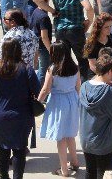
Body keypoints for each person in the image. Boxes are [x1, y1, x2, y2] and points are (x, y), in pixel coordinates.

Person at [0, 38, 41, 179]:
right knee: (19, 150)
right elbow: (37, 90)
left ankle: (3, 174)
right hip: (21, 117)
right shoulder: (26, 69)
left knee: (2, 147)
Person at [34, 0, 94, 74]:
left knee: (62, 62)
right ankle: (83, 85)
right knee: (83, 61)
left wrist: (52, 11)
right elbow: (89, 8)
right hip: (76, 30)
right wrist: (88, 22)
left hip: (60, 30)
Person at [38, 41, 82, 177]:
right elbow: (78, 86)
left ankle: (64, 170)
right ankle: (75, 162)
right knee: (70, 134)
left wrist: (38, 101)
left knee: (60, 137)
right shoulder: (75, 67)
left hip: (58, 102)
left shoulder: (52, 69)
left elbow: (46, 89)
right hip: (72, 99)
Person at [80, 54, 112, 179]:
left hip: (86, 140)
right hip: (103, 142)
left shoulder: (84, 86)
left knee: (90, 172)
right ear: (109, 71)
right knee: (104, 173)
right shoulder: (108, 92)